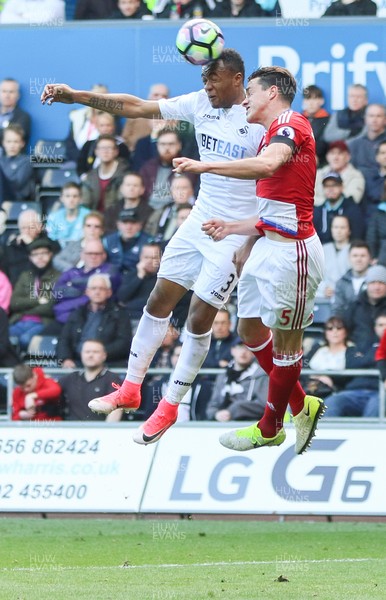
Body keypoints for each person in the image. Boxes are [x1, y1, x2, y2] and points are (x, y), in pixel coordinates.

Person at [40, 49, 266, 444]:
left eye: (213, 80)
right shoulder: (200, 104)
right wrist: (75, 95)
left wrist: (251, 235)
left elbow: (270, 174)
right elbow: (137, 107)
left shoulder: (261, 120)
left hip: (234, 231)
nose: (206, 87)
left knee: (198, 318)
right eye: (203, 80)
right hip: (199, 218)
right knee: (158, 300)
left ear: (237, 79)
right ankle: (130, 387)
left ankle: (170, 405)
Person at [174, 65, 326, 453]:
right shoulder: (268, 136)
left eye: (251, 93)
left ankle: (270, 426)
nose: (244, 100)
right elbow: (274, 203)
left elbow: (269, 166)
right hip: (266, 245)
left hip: (293, 253)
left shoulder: (292, 124)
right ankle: (300, 404)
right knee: (250, 331)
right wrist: (235, 229)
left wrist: (204, 165)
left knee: (286, 347)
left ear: (272, 93)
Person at [57, 273, 132, 368]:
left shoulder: (120, 314)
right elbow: (64, 339)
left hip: (109, 364)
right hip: (77, 363)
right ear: (87, 292)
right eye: (93, 288)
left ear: (109, 292)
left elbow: (123, 343)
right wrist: (66, 359)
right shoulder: (77, 313)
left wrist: (99, 354)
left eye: (101, 289)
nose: (97, 292)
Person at [324, 313, 386, 418]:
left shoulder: (363, 351)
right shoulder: (359, 345)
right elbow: (351, 364)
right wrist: (378, 357)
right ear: (375, 328)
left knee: (376, 407)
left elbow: (359, 362)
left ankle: (367, 435)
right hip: (353, 391)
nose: (384, 328)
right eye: (380, 325)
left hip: (379, 392)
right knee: (331, 403)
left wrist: (364, 358)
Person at [53, 238, 120, 325]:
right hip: (61, 316)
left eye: (97, 253)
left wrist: (72, 283)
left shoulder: (110, 269)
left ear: (104, 255)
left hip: (90, 319)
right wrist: (81, 291)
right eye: (89, 253)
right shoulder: (72, 271)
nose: (93, 256)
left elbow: (107, 282)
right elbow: (56, 291)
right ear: (82, 255)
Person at [9, 238, 60, 351]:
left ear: (50, 254)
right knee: (6, 338)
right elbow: (14, 303)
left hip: (42, 322)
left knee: (25, 340)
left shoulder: (58, 277)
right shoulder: (25, 276)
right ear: (30, 258)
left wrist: (24, 307)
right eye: (35, 254)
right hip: (19, 321)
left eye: (43, 253)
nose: (40, 257)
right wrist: (38, 301)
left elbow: (49, 307)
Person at [206, 337, 268, 422]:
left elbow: (264, 406)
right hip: (221, 425)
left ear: (254, 353)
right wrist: (216, 414)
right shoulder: (223, 376)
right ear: (233, 350)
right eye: (240, 347)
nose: (243, 352)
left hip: (249, 425)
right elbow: (212, 406)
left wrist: (234, 410)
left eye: (248, 348)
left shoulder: (261, 375)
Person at [59, 339, 124, 421]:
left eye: (95, 352)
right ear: (81, 354)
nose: (90, 355)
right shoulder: (70, 378)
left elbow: (117, 409)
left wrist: (107, 431)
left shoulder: (113, 379)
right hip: (70, 430)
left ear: (104, 355)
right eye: (87, 352)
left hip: (99, 431)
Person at [1, 208, 60, 285]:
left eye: (30, 227)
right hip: (16, 289)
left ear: (39, 226)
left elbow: (51, 268)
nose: (26, 231)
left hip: (42, 288)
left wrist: (31, 244)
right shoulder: (12, 247)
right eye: (23, 228)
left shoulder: (50, 244)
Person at [342, 264, 386, 351]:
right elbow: (345, 331)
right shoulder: (354, 307)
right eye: (373, 282)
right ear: (366, 285)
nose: (377, 287)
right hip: (359, 356)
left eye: (381, 283)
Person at [81, 134, 130, 211]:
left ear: (116, 152)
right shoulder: (90, 177)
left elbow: (124, 204)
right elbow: (85, 205)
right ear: (96, 152)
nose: (105, 151)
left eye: (109, 148)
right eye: (102, 148)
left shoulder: (126, 175)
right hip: (94, 219)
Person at [313, 172, 365, 245]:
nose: (330, 189)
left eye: (334, 185)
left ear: (342, 187)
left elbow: (357, 236)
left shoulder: (353, 209)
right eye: (326, 186)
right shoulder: (317, 211)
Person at [77, 111, 130, 177]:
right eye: (102, 125)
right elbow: (81, 166)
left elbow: (126, 166)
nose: (105, 129)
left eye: (108, 125)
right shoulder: (88, 145)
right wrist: (85, 178)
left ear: (113, 126)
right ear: (97, 127)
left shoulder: (122, 146)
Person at [314, 141, 365, 207]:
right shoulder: (318, 174)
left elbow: (352, 201)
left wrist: (322, 202)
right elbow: (307, 198)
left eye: (340, 153)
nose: (335, 158)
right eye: (332, 153)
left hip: (344, 215)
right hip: (317, 213)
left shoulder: (356, 176)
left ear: (348, 157)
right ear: (327, 157)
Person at [103, 208, 154, 274]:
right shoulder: (107, 240)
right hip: (110, 278)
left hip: (137, 279)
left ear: (140, 225)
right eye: (125, 222)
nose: (129, 227)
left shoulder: (149, 242)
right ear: (118, 224)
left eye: (133, 223)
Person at [331, 240, 372, 317]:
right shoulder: (341, 283)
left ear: (370, 258)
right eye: (355, 256)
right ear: (349, 258)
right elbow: (337, 309)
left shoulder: (377, 281)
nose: (359, 259)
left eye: (363, 256)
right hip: (347, 325)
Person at [316, 215, 351, 302]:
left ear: (349, 230)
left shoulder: (354, 250)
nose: (338, 231)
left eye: (342, 227)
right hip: (323, 295)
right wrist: (323, 288)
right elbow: (313, 275)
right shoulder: (322, 249)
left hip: (346, 297)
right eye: (335, 227)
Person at [46, 182, 90, 246]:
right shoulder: (53, 217)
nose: (71, 200)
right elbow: (51, 240)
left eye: (75, 196)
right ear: (61, 198)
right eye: (67, 196)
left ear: (80, 199)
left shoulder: (88, 216)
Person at [0, 124, 34, 204]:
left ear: (22, 144)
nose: (12, 145)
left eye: (16, 141)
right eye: (9, 141)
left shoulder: (26, 161)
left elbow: (17, 185)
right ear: (3, 143)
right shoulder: (1, 160)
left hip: (16, 202)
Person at [301, 85, 329, 167]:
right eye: (308, 98)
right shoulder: (298, 119)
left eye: (314, 98)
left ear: (321, 101)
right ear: (304, 102)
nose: (311, 103)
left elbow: (325, 142)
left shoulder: (329, 120)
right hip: (301, 162)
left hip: (323, 164)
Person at [0, 78, 31, 148]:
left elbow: (14, 137)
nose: (7, 95)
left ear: (18, 95)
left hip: (11, 158)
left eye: (11, 92)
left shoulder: (23, 117)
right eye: (4, 91)